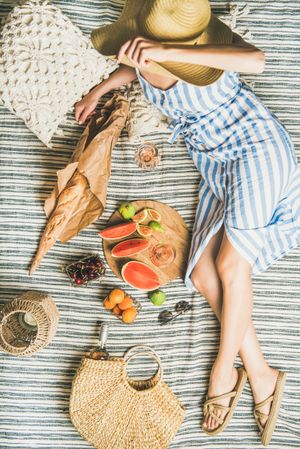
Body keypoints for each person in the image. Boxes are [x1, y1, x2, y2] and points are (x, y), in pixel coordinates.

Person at [75, 0, 300, 445]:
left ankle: (223, 372)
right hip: (219, 166)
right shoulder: (141, 53)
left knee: (233, 268)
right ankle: (259, 371)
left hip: (257, 150)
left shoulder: (204, 55)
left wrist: (168, 51)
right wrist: (100, 90)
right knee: (199, 274)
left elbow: (256, 60)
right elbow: (135, 72)